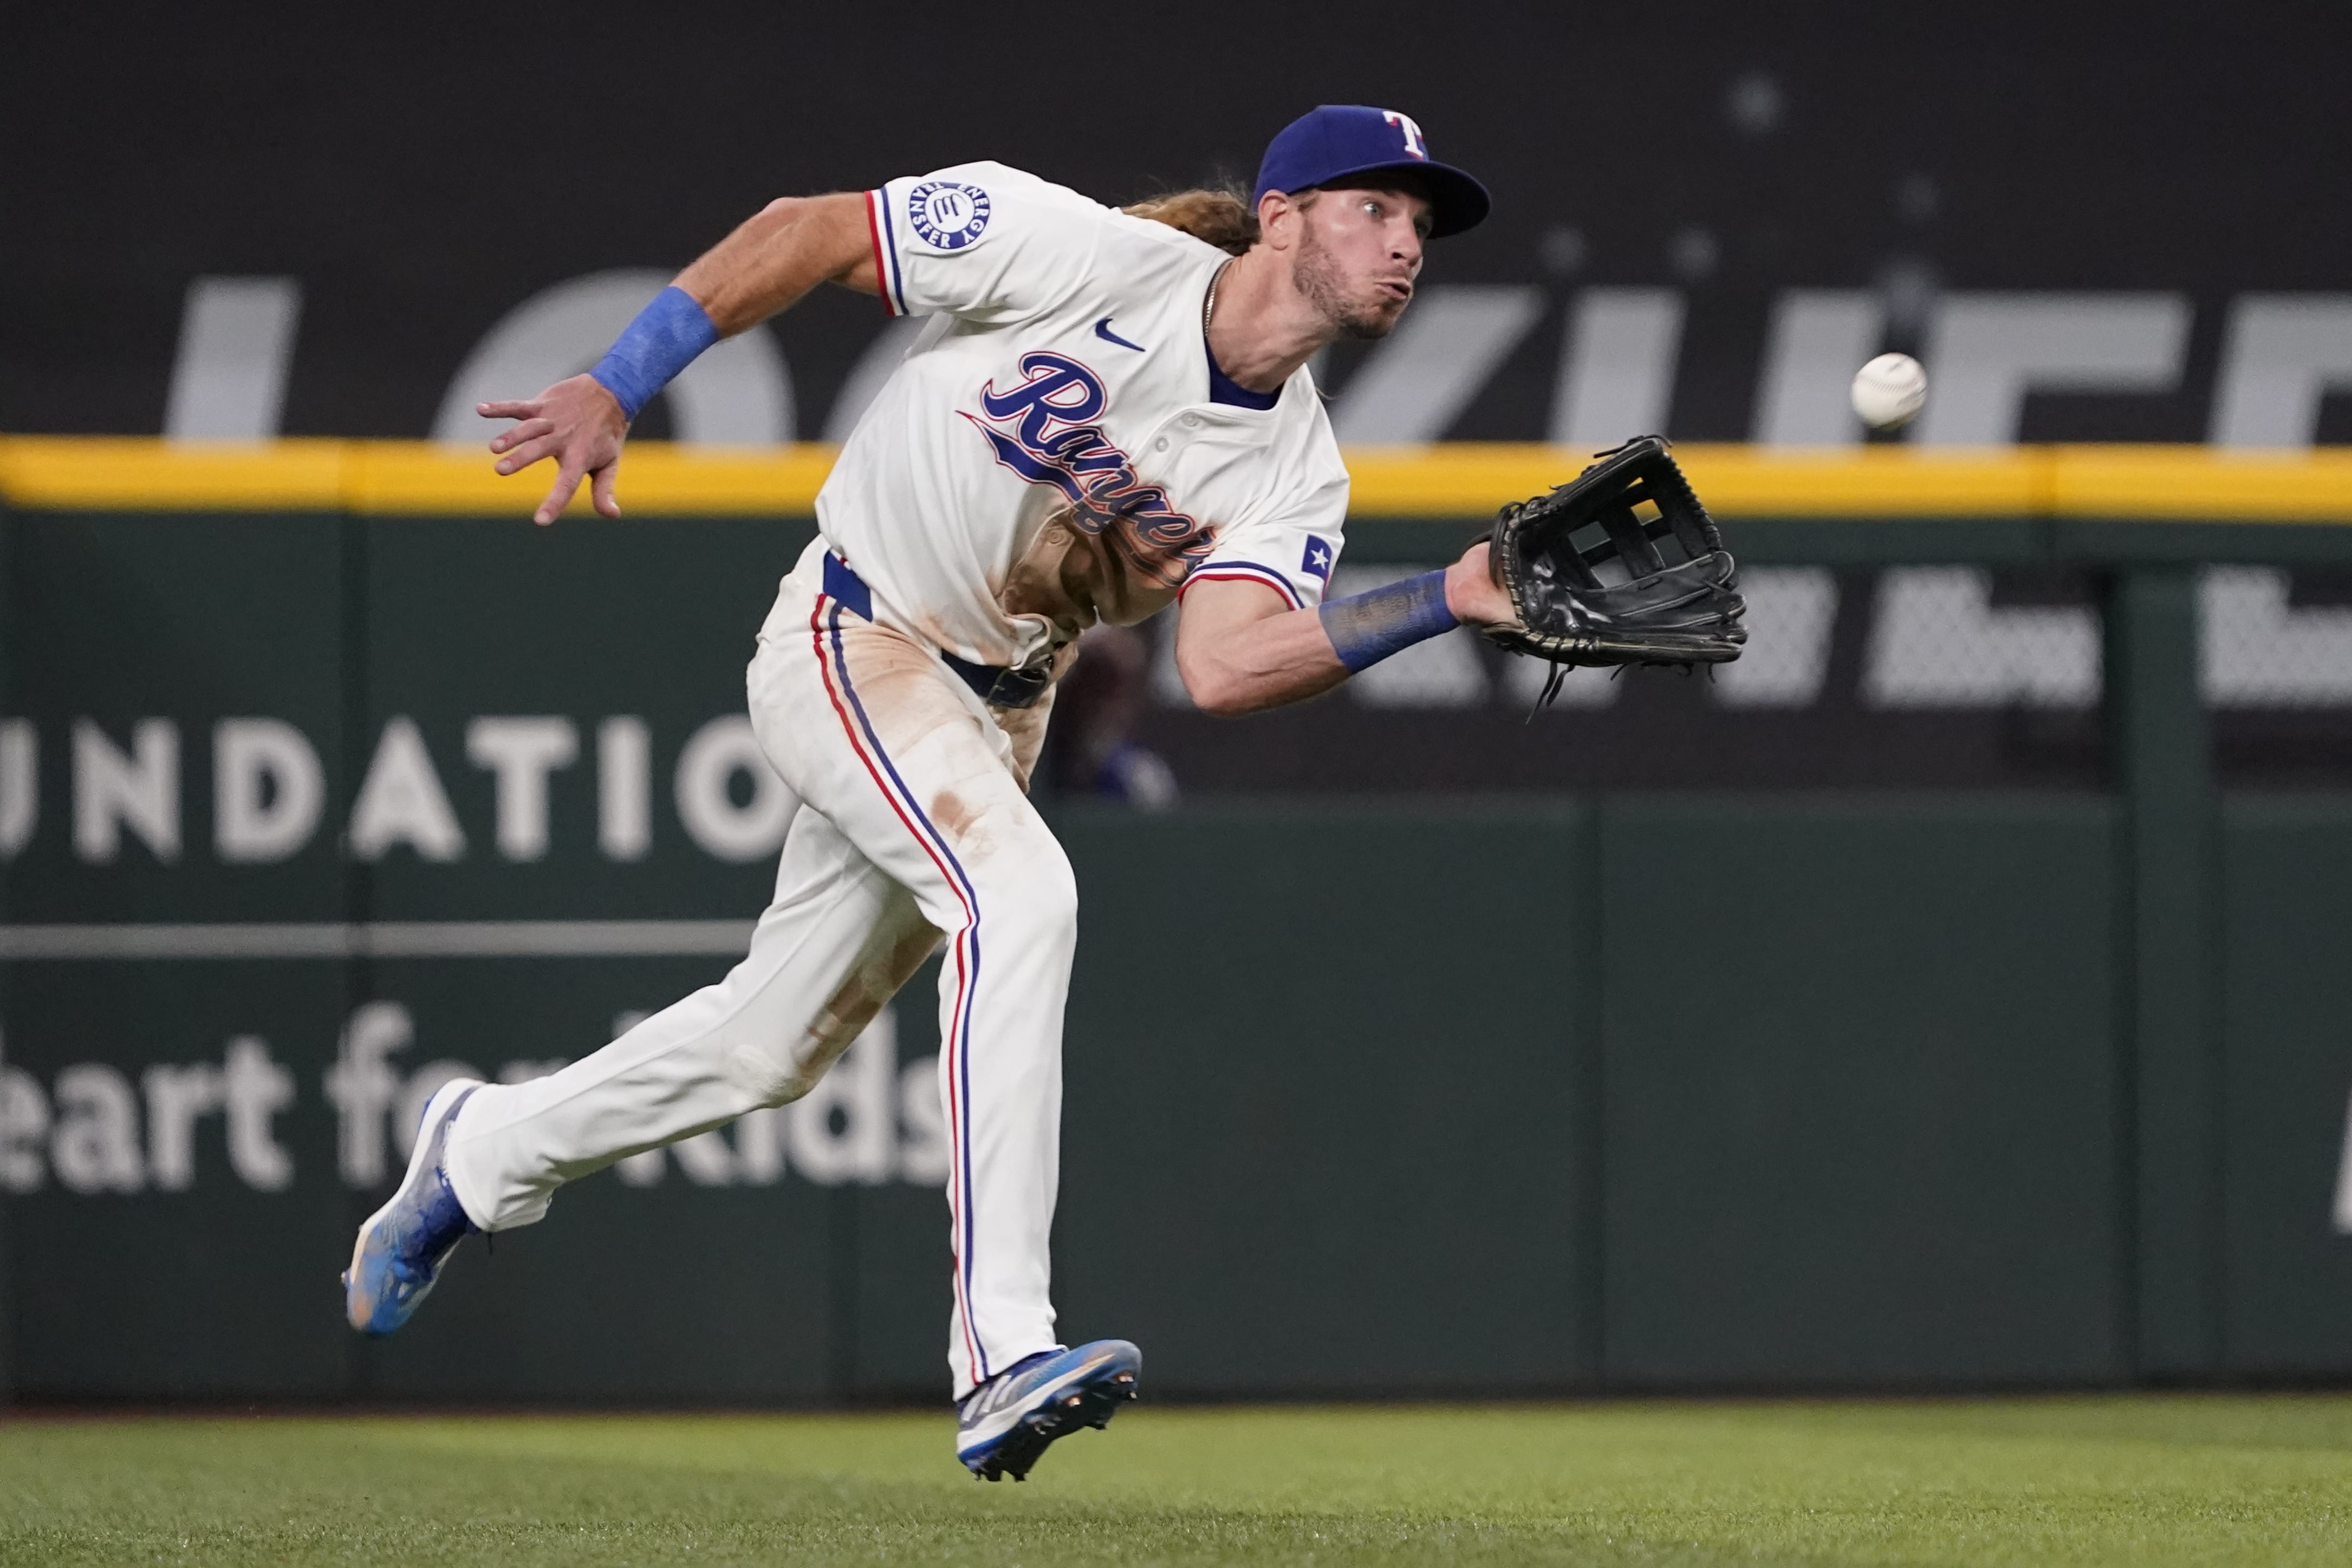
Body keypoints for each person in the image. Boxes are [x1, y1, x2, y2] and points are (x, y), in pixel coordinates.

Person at [344, 104, 1513, 1481]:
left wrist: (1445, 597)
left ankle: (484, 1150)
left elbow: (1225, 664)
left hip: (997, 711)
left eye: (1417, 224)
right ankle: (1002, 1348)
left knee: (768, 1046)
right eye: (1373, 208)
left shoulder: (1293, 469)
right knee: (1022, 896)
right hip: (856, 633)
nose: (1403, 244)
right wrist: (618, 380)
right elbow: (805, 232)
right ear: (1278, 216)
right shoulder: (1073, 252)